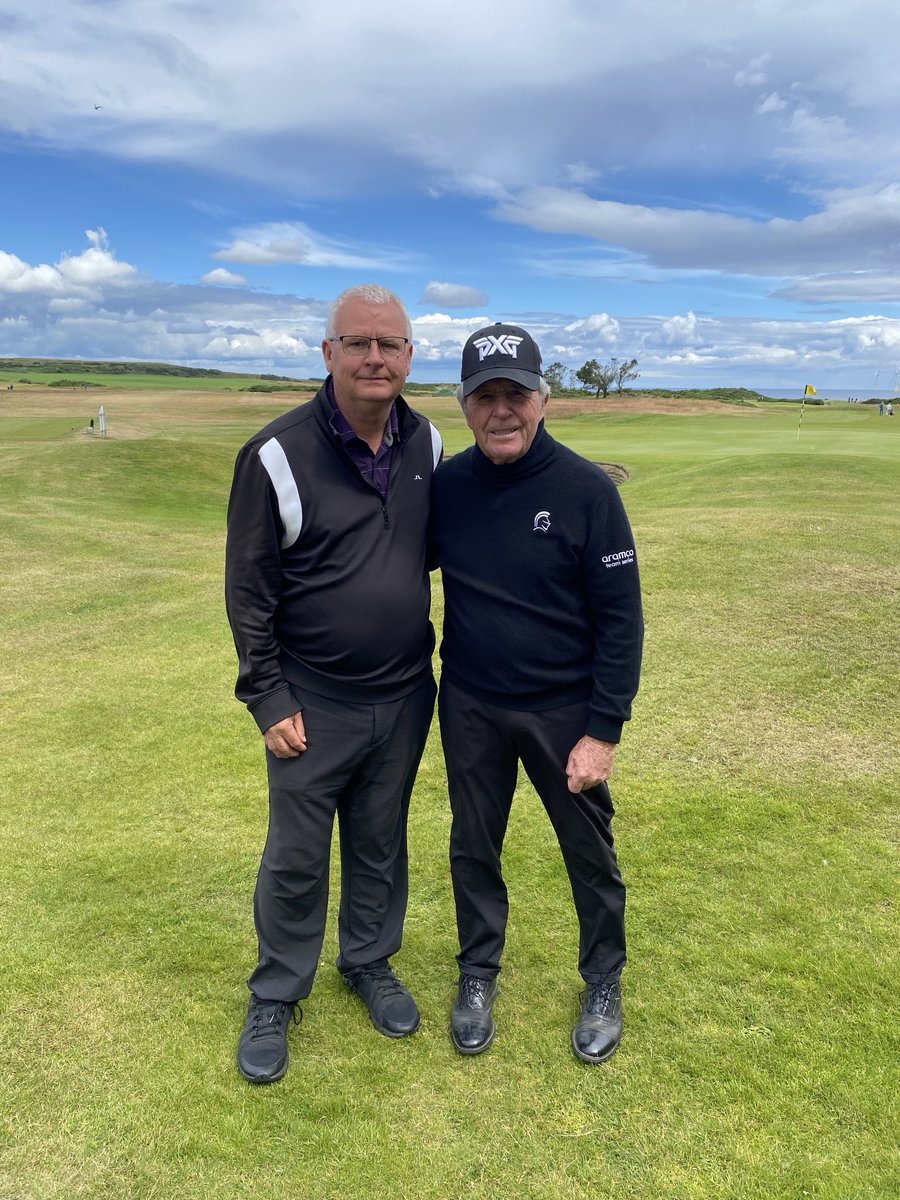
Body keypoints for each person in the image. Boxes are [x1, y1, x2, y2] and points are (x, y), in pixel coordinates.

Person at [225, 284, 442, 1083]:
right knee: (296, 856)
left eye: (390, 344)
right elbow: (249, 590)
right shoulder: (275, 454)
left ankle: (368, 960)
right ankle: (278, 990)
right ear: (328, 353)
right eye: (358, 342)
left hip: (405, 694)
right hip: (312, 702)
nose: (375, 358)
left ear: (410, 355)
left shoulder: (427, 443)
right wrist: (267, 695)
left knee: (380, 842)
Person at [430, 323, 644, 1064]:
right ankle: (477, 973)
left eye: (515, 394)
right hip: (471, 704)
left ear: (543, 399)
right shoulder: (449, 487)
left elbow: (621, 620)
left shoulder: (587, 491)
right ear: (464, 405)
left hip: (564, 712)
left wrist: (603, 731)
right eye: (484, 396)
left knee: (589, 853)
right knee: (473, 846)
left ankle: (603, 981)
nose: (501, 411)